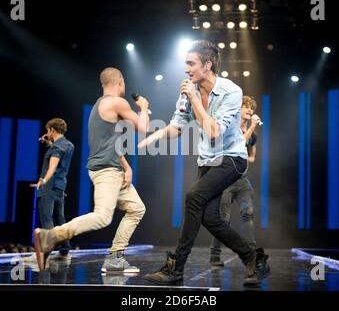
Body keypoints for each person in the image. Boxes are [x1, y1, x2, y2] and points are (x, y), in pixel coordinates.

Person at [139, 40, 268, 286]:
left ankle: (175, 268)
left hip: (232, 158)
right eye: (186, 64)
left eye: (191, 64)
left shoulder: (232, 92)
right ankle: (254, 259)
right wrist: (154, 136)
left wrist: (195, 99)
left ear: (207, 65)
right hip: (207, 160)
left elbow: (213, 132)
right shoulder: (188, 91)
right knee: (211, 219)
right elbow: (177, 128)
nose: (186, 69)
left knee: (193, 197)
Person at [34, 67, 150, 273]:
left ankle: (115, 257)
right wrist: (143, 108)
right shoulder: (117, 103)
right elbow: (143, 129)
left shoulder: (100, 105)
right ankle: (50, 236)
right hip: (107, 172)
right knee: (103, 216)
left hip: (112, 169)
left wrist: (126, 166)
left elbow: (106, 144)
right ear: (120, 81)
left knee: (137, 208)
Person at [209, 97, 270, 279]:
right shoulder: (231, 126)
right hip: (226, 179)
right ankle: (214, 255)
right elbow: (238, 144)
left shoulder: (253, 136)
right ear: (239, 108)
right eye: (246, 107)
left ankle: (251, 256)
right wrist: (252, 127)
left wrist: (244, 158)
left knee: (248, 214)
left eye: (252, 108)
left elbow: (251, 157)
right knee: (224, 220)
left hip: (241, 179)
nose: (250, 110)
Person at [30, 118, 74, 258]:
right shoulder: (69, 145)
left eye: (47, 130)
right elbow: (60, 163)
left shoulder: (56, 148)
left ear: (52, 130)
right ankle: (65, 248)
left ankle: (45, 253)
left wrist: (43, 180)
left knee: (46, 218)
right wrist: (48, 142)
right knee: (60, 218)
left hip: (48, 187)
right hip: (60, 186)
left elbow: (53, 166)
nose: (46, 132)